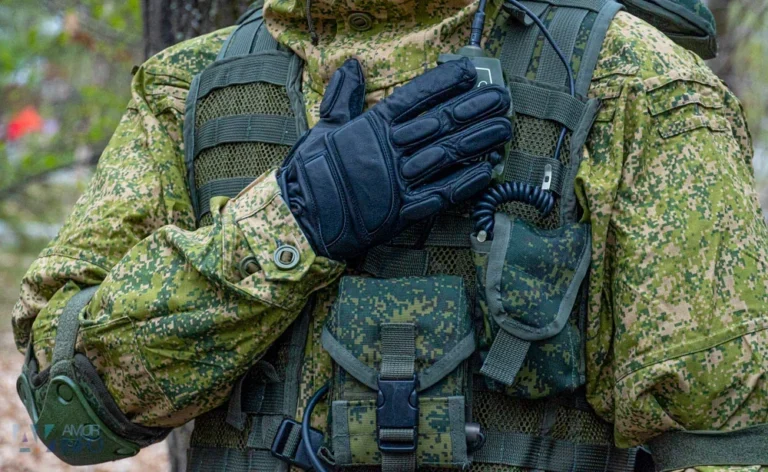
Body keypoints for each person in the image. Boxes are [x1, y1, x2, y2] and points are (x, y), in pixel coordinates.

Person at [12, 0, 768, 470]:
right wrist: (294, 220)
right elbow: (71, 409)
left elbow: (726, 437)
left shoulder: (634, 87)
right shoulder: (192, 93)